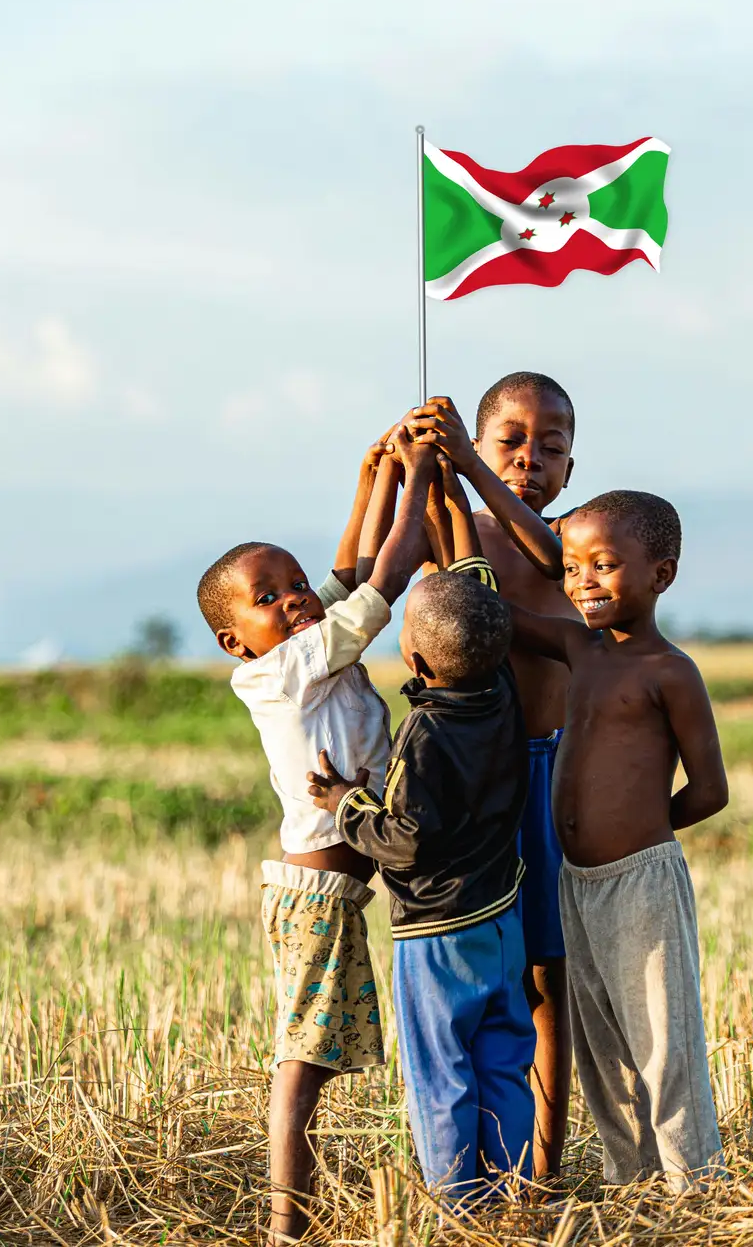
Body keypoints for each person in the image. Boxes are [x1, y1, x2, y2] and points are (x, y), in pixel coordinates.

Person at [195, 427, 436, 1244]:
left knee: (315, 1052)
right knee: (303, 1058)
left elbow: (343, 576)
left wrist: (372, 479)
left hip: (332, 887)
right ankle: (283, 1219)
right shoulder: (282, 670)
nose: (294, 599)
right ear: (236, 642)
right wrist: (420, 479)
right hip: (318, 898)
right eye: (269, 598)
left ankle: (292, 1208)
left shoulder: (298, 641)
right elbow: (384, 579)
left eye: (293, 584)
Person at [306, 463, 536, 1199]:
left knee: (442, 1074)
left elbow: (401, 836)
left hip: (438, 934)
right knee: (503, 1058)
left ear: (414, 659)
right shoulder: (503, 692)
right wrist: (448, 483)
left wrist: (345, 800)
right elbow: (475, 580)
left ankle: (456, 1204)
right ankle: (507, 1190)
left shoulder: (425, 736)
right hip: (503, 918)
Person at [499, 488, 729, 1191]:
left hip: (642, 880)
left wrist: (641, 830)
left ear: (660, 575)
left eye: (603, 565)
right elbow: (494, 612)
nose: (582, 582)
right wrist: (452, 488)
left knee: (662, 1040)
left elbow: (710, 789)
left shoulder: (670, 672)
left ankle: (693, 1187)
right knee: (601, 1044)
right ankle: (629, 1183)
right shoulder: (578, 647)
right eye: (572, 569)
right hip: (578, 881)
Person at [407, 374, 576, 1178]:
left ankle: (542, 1171)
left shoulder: (575, 538)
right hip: (482, 784)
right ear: (481, 438)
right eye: (511, 439)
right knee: (496, 976)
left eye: (551, 446)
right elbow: (393, 569)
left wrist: (472, 465)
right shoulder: (459, 527)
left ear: (571, 470)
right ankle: (476, 1165)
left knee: (549, 976)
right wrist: (414, 470)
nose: (529, 458)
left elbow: (548, 556)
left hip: (553, 771)